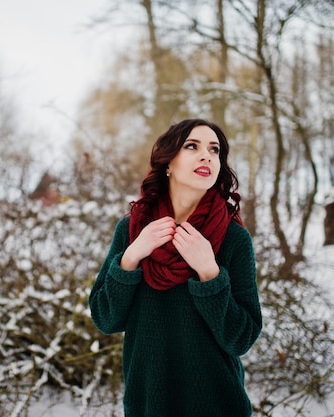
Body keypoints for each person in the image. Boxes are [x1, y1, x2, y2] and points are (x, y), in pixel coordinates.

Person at [89, 118, 262, 416]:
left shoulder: (234, 239)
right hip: (148, 406)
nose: (207, 155)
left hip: (218, 406)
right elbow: (106, 319)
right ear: (168, 161)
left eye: (215, 149)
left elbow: (241, 337)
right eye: (192, 146)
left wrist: (210, 274)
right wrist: (131, 258)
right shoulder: (132, 229)